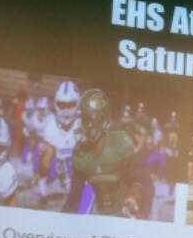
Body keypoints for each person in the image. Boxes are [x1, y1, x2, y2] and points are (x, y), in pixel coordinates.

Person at [63, 88, 154, 217]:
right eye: (83, 120)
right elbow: (73, 200)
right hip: (104, 216)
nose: (85, 126)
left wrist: (132, 199)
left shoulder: (120, 144)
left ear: (105, 122)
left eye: (90, 120)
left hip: (129, 212)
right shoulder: (80, 154)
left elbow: (143, 182)